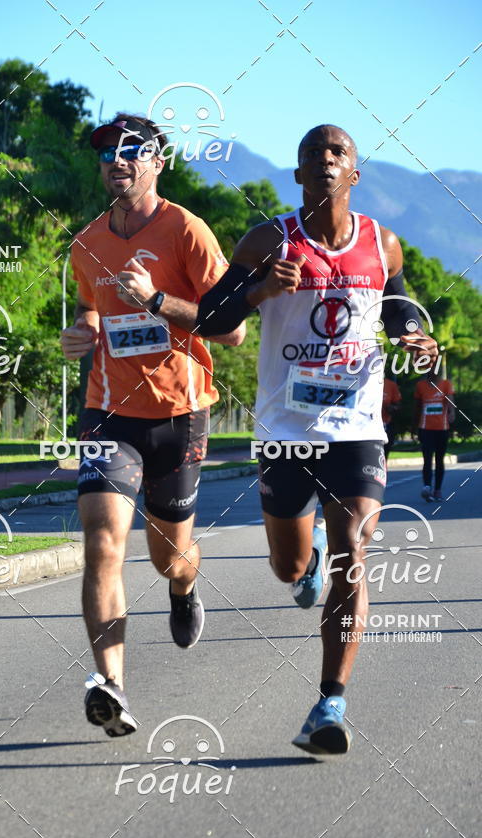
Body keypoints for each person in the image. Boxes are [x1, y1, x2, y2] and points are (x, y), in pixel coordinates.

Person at [130, 124, 438, 755]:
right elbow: (212, 320)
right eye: (312, 156)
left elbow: (399, 307)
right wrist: (261, 289)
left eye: (337, 154)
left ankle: (329, 703)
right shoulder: (267, 239)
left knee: (357, 545)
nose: (325, 161)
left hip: (357, 426)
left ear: (354, 173)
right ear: (298, 175)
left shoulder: (384, 243)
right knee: (289, 567)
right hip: (285, 430)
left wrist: (417, 337)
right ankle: (309, 554)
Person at [60, 113, 245, 738]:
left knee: (169, 557)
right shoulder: (86, 244)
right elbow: (89, 309)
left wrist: (157, 301)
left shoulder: (187, 231)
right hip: (108, 412)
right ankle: (110, 685)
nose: (117, 159)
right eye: (108, 152)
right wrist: (81, 332)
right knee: (102, 542)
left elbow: (233, 327)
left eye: (131, 151)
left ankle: (183, 591)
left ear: (157, 162)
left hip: (179, 413)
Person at [413, 370, 454, 501]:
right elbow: (418, 406)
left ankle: (437, 490)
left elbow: (451, 401)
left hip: (442, 428)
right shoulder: (421, 385)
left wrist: (452, 412)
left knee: (439, 460)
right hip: (425, 428)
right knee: (427, 458)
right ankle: (427, 487)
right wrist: (415, 425)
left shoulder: (446, 384)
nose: (433, 373)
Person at [382, 376, 402, 459]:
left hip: (385, 426)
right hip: (365, 426)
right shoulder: (361, 382)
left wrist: (392, 408)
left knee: (383, 457)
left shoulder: (390, 385)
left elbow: (398, 406)